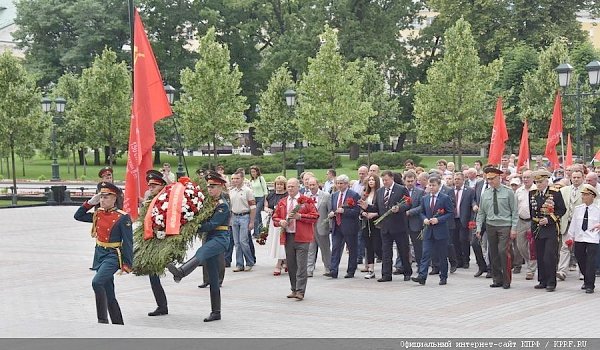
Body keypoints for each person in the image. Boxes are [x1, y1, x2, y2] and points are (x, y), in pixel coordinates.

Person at [167, 171, 230, 322]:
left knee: (202, 252)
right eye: (208, 187)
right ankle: (216, 312)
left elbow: (212, 224)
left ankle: (181, 272)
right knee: (214, 278)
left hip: (220, 238)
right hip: (210, 238)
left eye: (213, 187)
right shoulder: (208, 203)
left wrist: (193, 227)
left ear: (221, 187)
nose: (210, 189)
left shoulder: (223, 206)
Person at [74, 182, 132, 324]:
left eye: (106, 197)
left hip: (113, 255)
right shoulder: (98, 214)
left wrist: (128, 263)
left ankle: (102, 320)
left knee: (97, 282)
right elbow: (78, 216)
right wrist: (89, 203)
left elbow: (128, 242)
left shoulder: (122, 217)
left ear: (114, 198)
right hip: (100, 254)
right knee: (108, 291)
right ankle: (118, 323)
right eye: (101, 197)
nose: (103, 200)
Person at [273, 178, 319, 300]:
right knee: (291, 265)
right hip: (288, 236)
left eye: (293, 186)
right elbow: (275, 217)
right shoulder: (282, 201)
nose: (290, 189)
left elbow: (315, 217)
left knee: (301, 265)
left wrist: (300, 216)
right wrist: (280, 222)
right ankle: (293, 289)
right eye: (288, 186)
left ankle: (300, 291)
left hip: (303, 237)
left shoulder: (306, 201)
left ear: (299, 187)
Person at [361, 170, 411, 282]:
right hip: (385, 227)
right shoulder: (380, 191)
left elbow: (408, 203)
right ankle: (386, 274)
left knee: (403, 250)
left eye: (387, 180)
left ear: (392, 178)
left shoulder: (401, 189)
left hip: (399, 226)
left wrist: (399, 208)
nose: (385, 182)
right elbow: (377, 208)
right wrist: (367, 207)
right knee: (386, 251)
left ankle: (407, 272)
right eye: (383, 180)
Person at [476, 167, 518, 289]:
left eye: (492, 179)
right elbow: (481, 212)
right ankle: (497, 279)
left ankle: (506, 279)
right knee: (493, 253)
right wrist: (479, 227)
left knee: (502, 251)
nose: (490, 181)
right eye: (488, 179)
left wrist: (514, 228)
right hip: (491, 225)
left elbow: (514, 211)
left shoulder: (508, 192)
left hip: (505, 225)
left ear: (499, 178)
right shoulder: (486, 194)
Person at [411, 176, 453, 286]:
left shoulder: (444, 198)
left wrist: (438, 219)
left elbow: (450, 213)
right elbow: (421, 211)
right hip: (428, 231)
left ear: (439, 186)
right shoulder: (425, 198)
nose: (431, 187)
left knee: (442, 255)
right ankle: (422, 276)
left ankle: (443, 276)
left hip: (440, 231)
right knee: (425, 253)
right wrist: (424, 219)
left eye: (434, 185)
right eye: (430, 185)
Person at [529, 169, 566, 292]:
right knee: (540, 255)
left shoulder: (555, 193)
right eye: (536, 182)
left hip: (550, 229)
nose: (538, 184)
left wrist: (549, 219)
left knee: (549, 256)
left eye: (540, 182)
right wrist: (534, 224)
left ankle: (551, 282)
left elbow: (562, 210)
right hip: (537, 228)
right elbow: (532, 211)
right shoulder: (533, 193)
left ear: (546, 181)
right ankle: (542, 280)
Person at [142, 170, 169, 316]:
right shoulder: (149, 199)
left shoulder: (166, 199)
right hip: (151, 239)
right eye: (149, 186)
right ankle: (162, 306)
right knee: (153, 274)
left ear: (162, 186)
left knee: (157, 271)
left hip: (165, 240)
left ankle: (162, 305)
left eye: (154, 186)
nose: (150, 188)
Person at [565, 184, 600, 293]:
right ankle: (586, 278)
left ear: (592, 196)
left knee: (591, 261)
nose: (583, 197)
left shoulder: (598, 209)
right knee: (580, 258)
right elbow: (574, 224)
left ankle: (590, 285)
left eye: (586, 195)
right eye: (583, 194)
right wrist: (570, 237)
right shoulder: (578, 209)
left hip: (592, 238)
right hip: (580, 237)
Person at [327, 175, 361, 279]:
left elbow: (357, 211)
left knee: (352, 249)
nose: (339, 185)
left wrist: (345, 211)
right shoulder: (334, 195)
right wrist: (332, 213)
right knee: (336, 248)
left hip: (349, 226)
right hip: (337, 226)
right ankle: (333, 270)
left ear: (346, 184)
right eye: (337, 183)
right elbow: (333, 208)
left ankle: (351, 270)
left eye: (341, 183)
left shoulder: (354, 195)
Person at [229, 170, 256, 271]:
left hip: (244, 216)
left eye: (237, 178)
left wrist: (252, 221)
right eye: (233, 178)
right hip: (234, 216)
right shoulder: (231, 191)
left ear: (242, 179)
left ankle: (249, 261)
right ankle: (239, 264)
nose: (234, 180)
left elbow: (253, 207)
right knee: (236, 242)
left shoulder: (247, 191)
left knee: (243, 241)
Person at [306, 177, 332, 278]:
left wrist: (330, 226)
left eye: (313, 185)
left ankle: (328, 268)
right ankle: (309, 270)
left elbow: (330, 211)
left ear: (318, 184)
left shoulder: (326, 196)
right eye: (310, 185)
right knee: (310, 249)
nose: (311, 187)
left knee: (325, 249)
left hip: (322, 226)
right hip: (310, 226)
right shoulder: (306, 196)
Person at [359, 175, 382, 279]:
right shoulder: (365, 194)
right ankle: (371, 269)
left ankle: (386, 263)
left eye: (373, 180)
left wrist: (374, 214)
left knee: (377, 245)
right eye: (369, 180)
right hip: (366, 223)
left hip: (376, 223)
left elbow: (381, 209)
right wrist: (363, 213)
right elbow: (361, 207)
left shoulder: (379, 193)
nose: (371, 182)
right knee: (368, 246)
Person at [265, 176, 288, 276]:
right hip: (274, 221)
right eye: (277, 184)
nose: (279, 186)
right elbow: (266, 206)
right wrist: (267, 210)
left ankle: (279, 264)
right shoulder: (271, 195)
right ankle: (285, 261)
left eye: (281, 184)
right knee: (275, 242)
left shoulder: (287, 195)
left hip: (283, 221)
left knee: (281, 243)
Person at [249, 165, 269, 239]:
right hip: (254, 199)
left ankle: (256, 233)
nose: (253, 173)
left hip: (261, 198)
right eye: (251, 172)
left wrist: (265, 200)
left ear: (257, 172)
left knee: (255, 215)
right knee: (258, 216)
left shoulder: (261, 178)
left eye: (254, 171)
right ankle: (261, 231)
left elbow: (265, 189)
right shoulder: (251, 180)